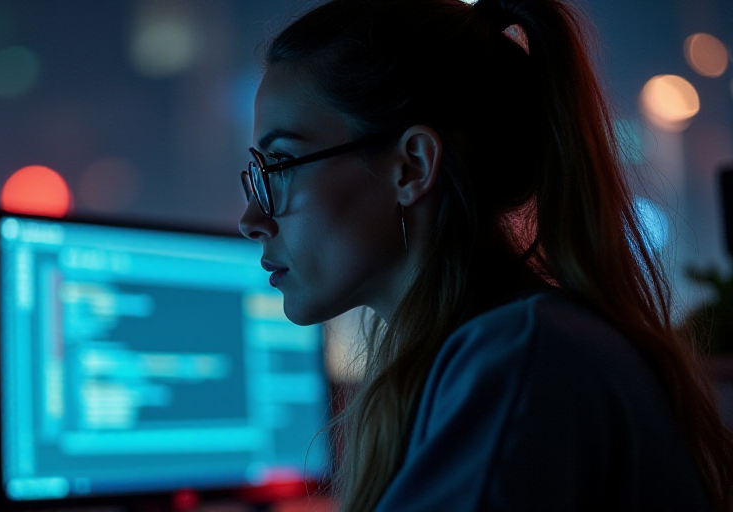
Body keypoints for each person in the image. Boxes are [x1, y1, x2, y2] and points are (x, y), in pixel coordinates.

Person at [237, 0, 733, 510]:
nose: (250, 219)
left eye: (281, 165)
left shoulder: (520, 360)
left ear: (411, 167)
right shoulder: (507, 348)